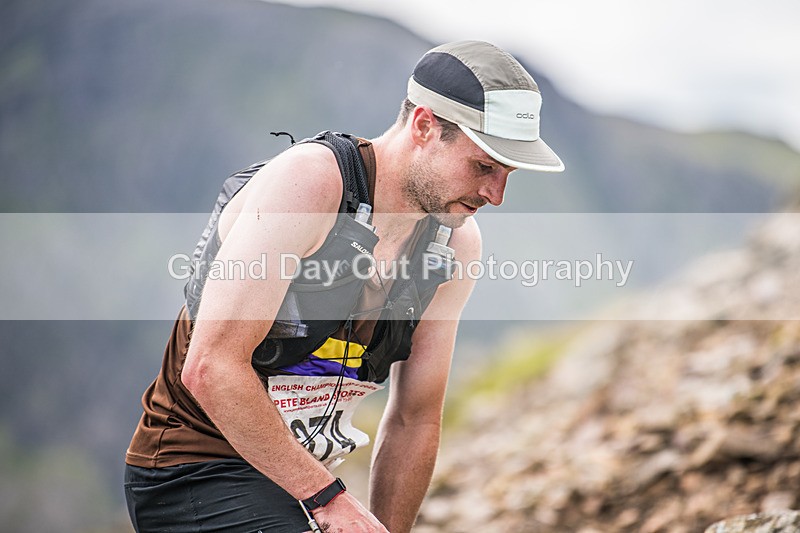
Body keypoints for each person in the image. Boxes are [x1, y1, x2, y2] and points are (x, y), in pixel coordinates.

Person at [125, 40, 563, 533]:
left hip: (293, 482)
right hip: (192, 470)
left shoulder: (453, 244)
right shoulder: (312, 184)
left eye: (508, 173)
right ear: (424, 126)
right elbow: (210, 366)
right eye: (483, 166)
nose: (495, 195)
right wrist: (329, 499)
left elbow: (415, 417)